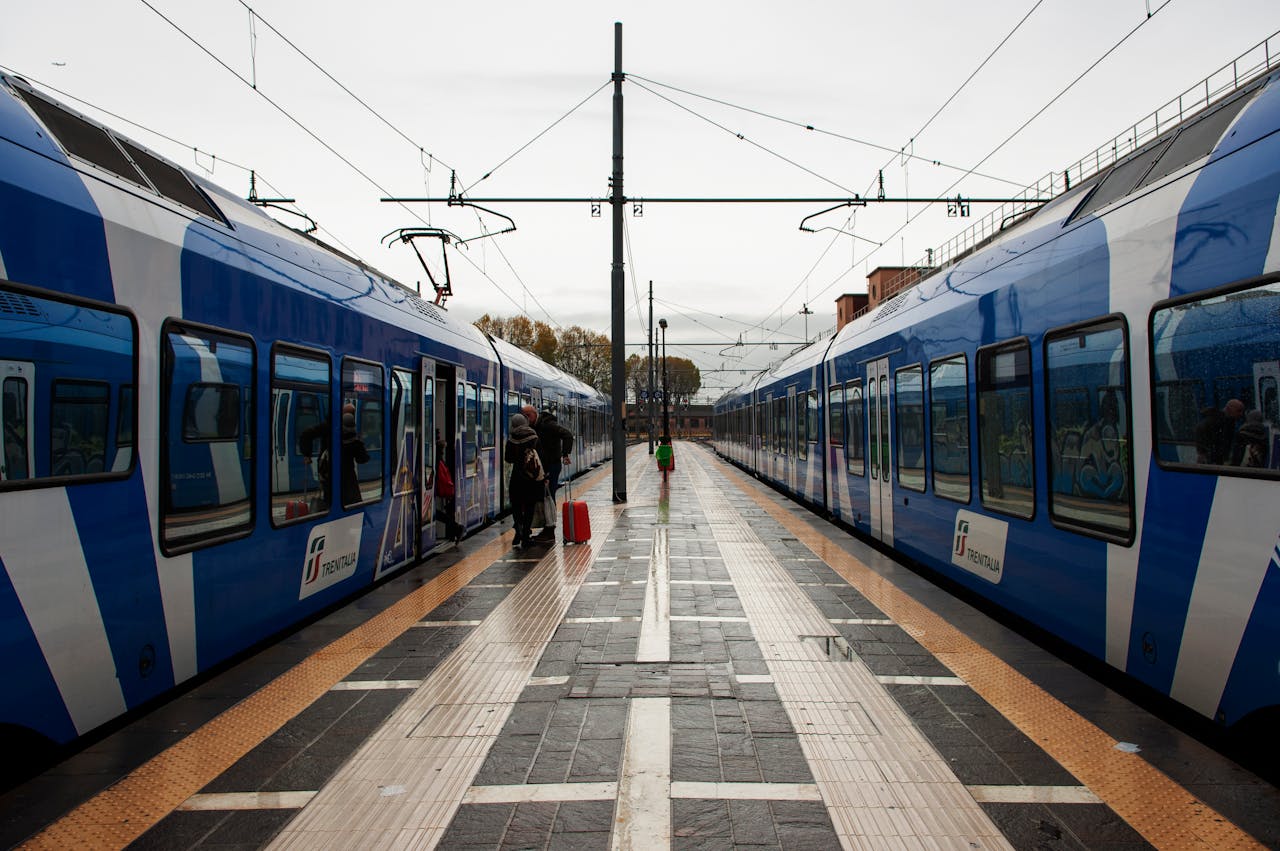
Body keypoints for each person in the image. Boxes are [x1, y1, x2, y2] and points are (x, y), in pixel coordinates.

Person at [529, 405, 574, 543]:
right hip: (545, 466)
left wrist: (565, 453)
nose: (526, 419)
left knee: (548, 496)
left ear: (533, 414)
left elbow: (567, 434)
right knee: (545, 496)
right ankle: (547, 529)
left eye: (527, 416)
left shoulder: (548, 425)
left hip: (552, 466)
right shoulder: (536, 426)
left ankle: (550, 530)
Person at [504, 412, 543, 548]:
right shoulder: (533, 437)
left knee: (516, 505)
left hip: (516, 477)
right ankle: (526, 535)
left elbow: (508, 458)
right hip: (531, 478)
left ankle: (518, 527)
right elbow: (539, 457)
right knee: (529, 506)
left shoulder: (511, 439)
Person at [1194, 398, 1243, 465]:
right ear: (1230, 409)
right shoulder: (1215, 420)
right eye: (1239, 411)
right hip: (1213, 459)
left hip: (1217, 459)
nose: (1241, 414)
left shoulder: (1229, 422)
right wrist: (1203, 452)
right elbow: (1200, 430)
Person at [339, 408, 369, 506]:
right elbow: (363, 459)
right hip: (349, 479)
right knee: (353, 504)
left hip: (332, 478)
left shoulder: (334, 437)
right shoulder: (355, 442)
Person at [434, 439, 461, 541]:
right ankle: (456, 528)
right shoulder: (440, 459)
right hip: (443, 490)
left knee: (435, 513)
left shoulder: (435, 459)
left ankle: (456, 528)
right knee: (436, 513)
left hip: (437, 490)